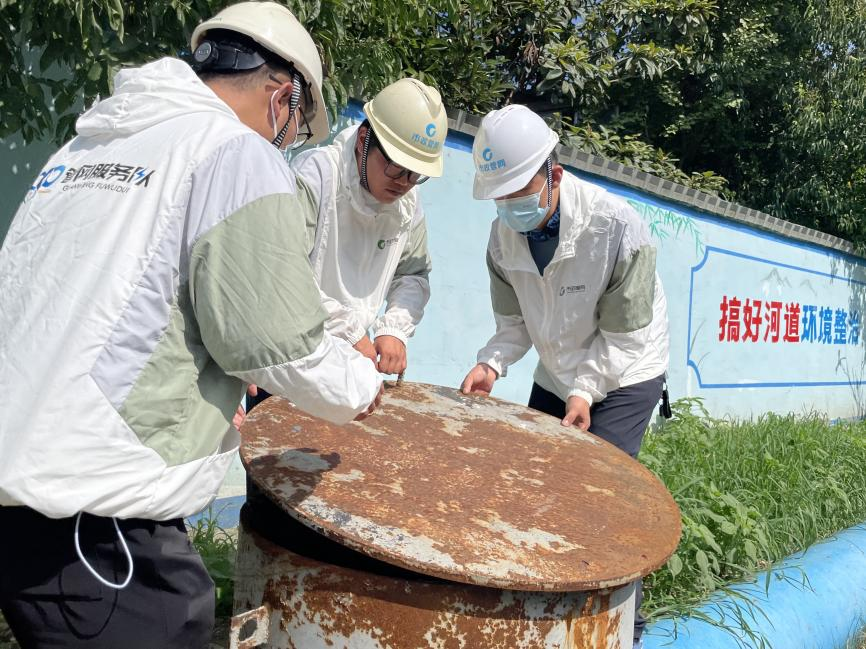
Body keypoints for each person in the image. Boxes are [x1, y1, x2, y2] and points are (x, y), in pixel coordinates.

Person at [0, 3, 381, 648]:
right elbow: (272, 341)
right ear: (283, 96)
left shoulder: (90, 146)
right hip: (100, 513)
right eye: (293, 129)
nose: (284, 142)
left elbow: (109, 307)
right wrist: (359, 385)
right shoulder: (235, 151)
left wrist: (206, 395)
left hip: (23, 489)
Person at [459, 104, 670, 649]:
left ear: (553, 172)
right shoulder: (502, 238)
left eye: (519, 190)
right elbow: (514, 325)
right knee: (537, 487)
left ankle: (625, 629)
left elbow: (625, 336)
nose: (511, 205)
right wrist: (491, 363)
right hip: (558, 373)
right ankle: (546, 622)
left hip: (625, 374)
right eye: (500, 195)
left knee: (601, 500)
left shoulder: (617, 227)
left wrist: (585, 391)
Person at [247, 77, 446, 410]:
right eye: (397, 168)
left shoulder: (409, 202)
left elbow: (412, 274)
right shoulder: (316, 175)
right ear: (363, 142)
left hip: (349, 365)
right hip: (290, 355)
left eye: (416, 174)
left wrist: (394, 329)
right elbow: (284, 273)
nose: (404, 184)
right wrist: (351, 332)